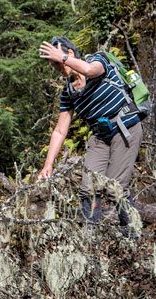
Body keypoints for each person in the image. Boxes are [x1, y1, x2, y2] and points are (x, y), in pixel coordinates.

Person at [37, 36, 142, 231]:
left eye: (57, 62)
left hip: (125, 129)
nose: (57, 68)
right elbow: (60, 130)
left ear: (69, 53)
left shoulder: (98, 60)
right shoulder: (69, 91)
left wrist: (63, 58)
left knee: (115, 188)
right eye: (53, 65)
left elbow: (89, 70)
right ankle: (91, 235)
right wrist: (48, 164)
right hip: (101, 137)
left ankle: (133, 234)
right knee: (88, 189)